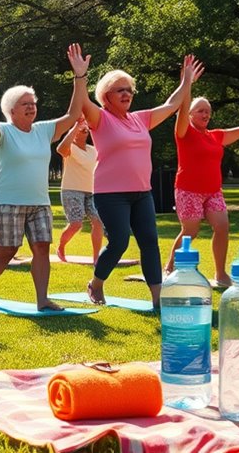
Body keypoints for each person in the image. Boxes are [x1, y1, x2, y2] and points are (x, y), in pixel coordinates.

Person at [68, 44, 200, 309]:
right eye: (120, 90)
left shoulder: (140, 119)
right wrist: (80, 76)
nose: (127, 93)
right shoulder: (100, 118)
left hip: (142, 193)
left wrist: (186, 81)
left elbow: (172, 104)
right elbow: (81, 104)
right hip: (110, 194)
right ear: (107, 96)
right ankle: (96, 283)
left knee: (150, 241)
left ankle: (156, 299)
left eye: (129, 89)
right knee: (119, 242)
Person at [0, 65, 88, 310]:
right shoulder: (4, 131)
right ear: (11, 110)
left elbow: (72, 115)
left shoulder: (44, 130)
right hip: (8, 201)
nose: (31, 106)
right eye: (24, 103)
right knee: (8, 249)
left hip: (40, 203)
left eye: (33, 103)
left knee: (41, 247)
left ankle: (42, 299)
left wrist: (79, 76)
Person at [164, 95, 239, 285]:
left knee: (222, 227)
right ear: (190, 114)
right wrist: (187, 83)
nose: (205, 114)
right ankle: (169, 267)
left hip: (213, 190)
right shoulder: (185, 132)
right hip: (188, 190)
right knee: (191, 231)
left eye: (208, 111)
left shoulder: (215, 136)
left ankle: (220, 274)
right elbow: (182, 107)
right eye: (201, 111)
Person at [55, 118, 103, 264]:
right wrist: (75, 127)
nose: (85, 131)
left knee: (98, 222)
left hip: (91, 191)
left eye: (86, 130)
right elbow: (60, 149)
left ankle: (96, 258)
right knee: (76, 224)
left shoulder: (92, 150)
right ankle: (61, 247)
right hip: (71, 190)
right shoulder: (70, 147)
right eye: (82, 129)